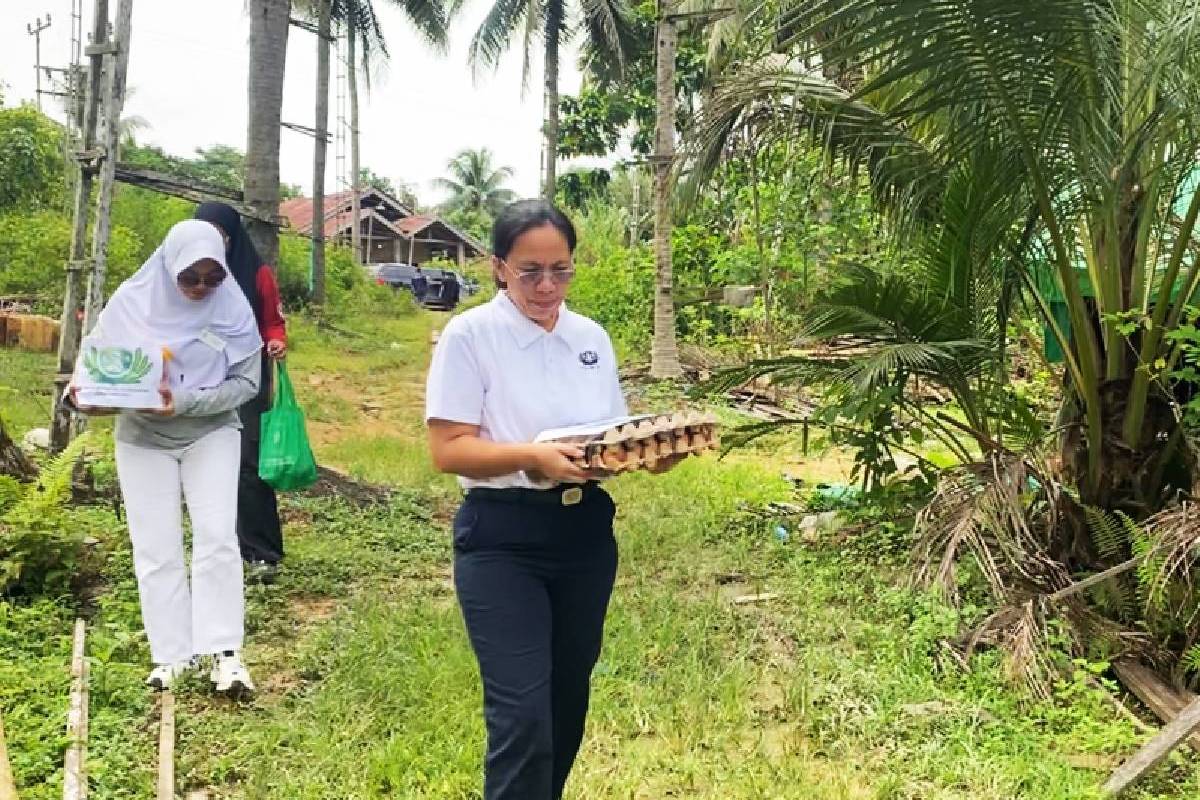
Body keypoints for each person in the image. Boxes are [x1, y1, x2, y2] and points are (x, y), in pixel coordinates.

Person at [425, 199, 683, 800]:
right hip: (502, 539)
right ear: (498, 267)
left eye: (560, 270)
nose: (547, 286)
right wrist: (532, 457)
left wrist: (649, 455)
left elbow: (608, 442)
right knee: (522, 715)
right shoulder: (471, 336)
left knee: (567, 703)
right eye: (529, 271)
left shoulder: (589, 337)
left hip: (584, 537)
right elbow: (449, 449)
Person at [70, 219, 262, 694]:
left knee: (217, 538)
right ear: (167, 267)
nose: (200, 288)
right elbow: (90, 372)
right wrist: (85, 398)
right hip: (142, 436)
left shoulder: (233, 311)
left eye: (211, 278)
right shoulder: (129, 305)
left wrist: (187, 403)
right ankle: (171, 656)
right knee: (156, 548)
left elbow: (247, 384)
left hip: (210, 433)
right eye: (189, 277)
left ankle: (225, 655)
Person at [194, 202, 288, 583]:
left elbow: (273, 322)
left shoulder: (257, 274)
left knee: (249, 462)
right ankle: (219, 550)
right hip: (198, 380)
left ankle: (262, 552)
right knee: (204, 462)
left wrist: (277, 342)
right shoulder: (182, 272)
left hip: (248, 378)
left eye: (220, 235)